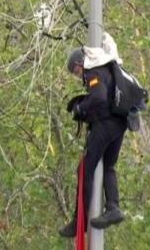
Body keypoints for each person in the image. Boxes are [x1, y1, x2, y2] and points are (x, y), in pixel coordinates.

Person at [58, 47, 126, 238]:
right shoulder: (107, 67)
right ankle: (113, 208)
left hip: (106, 125)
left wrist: (81, 108)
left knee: (84, 169)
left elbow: (99, 97)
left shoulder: (93, 71)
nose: (79, 75)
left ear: (81, 63)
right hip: (121, 123)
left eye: (77, 71)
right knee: (108, 166)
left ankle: (80, 221)